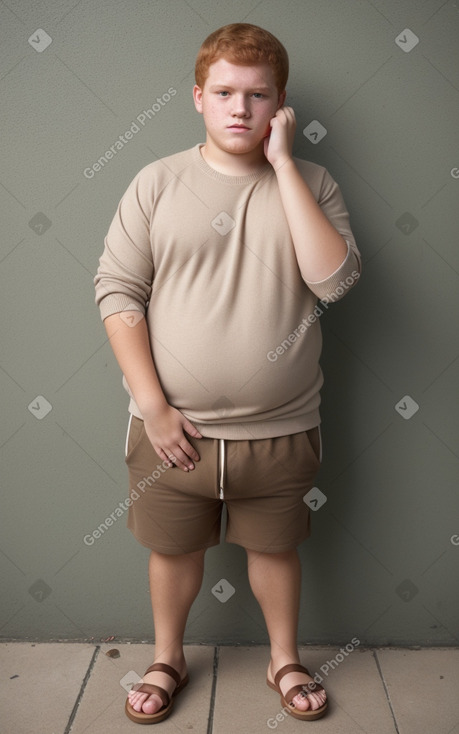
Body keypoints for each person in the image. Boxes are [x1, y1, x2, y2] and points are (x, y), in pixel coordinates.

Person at [94, 22, 361, 724]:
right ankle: (166, 657)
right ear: (197, 98)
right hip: (171, 431)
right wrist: (152, 406)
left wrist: (282, 167)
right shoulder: (156, 181)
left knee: (274, 550)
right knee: (171, 549)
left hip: (281, 430)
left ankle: (284, 659)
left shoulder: (313, 182)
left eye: (257, 95)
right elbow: (117, 291)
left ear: (280, 106)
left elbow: (332, 283)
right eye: (223, 93)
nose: (239, 108)